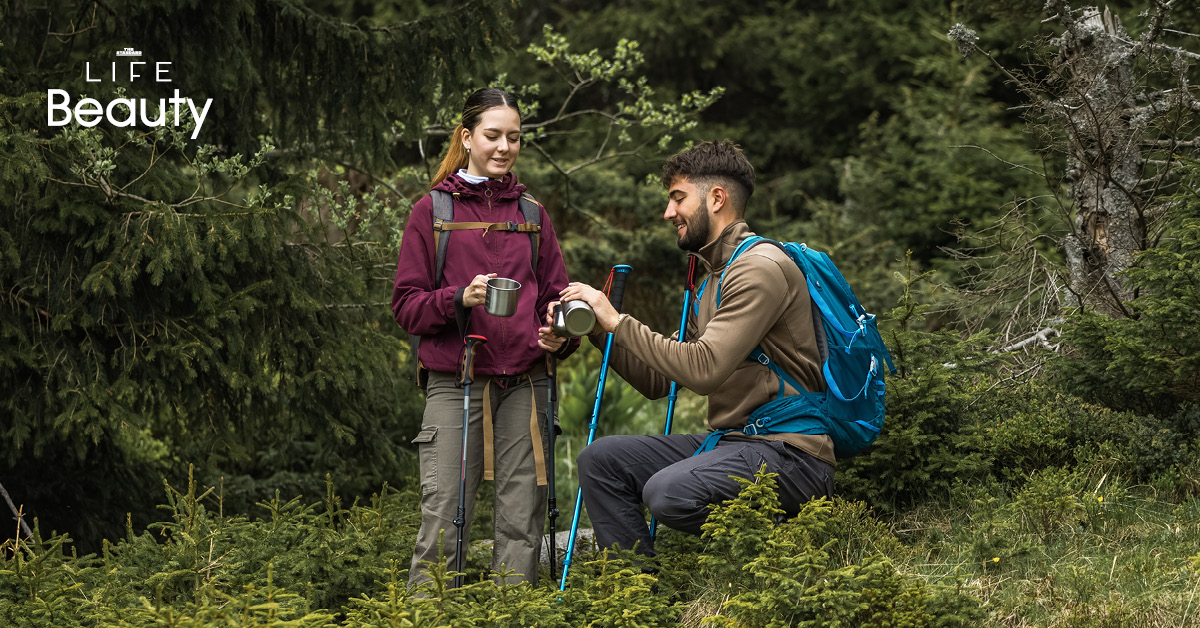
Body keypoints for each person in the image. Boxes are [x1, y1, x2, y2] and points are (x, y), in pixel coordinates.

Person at [558, 141, 834, 555]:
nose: (668, 213)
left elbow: (703, 370)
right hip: (736, 445)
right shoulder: (712, 281)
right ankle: (636, 598)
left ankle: (783, 553)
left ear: (716, 198)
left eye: (677, 198)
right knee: (602, 460)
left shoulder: (760, 269)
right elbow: (657, 381)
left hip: (791, 453)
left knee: (668, 492)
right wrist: (600, 329)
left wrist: (618, 321)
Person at [391, 87, 578, 587]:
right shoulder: (431, 212)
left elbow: (555, 298)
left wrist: (561, 332)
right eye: (492, 136)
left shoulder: (533, 216)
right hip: (456, 382)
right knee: (444, 517)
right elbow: (406, 306)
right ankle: (429, 620)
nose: (504, 147)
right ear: (467, 137)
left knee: (523, 523)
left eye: (514, 138)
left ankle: (512, 615)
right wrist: (457, 298)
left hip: (527, 382)